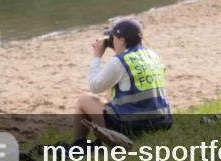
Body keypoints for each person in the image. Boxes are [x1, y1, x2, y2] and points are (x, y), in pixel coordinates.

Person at [71, 18, 172, 147]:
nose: (112, 41)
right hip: (162, 122)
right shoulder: (152, 55)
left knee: (83, 100)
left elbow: (95, 86)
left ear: (122, 40)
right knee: (109, 99)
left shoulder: (120, 61)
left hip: (134, 126)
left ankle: (78, 145)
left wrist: (97, 57)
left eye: (113, 38)